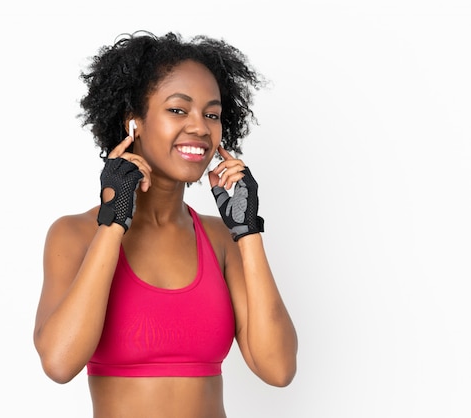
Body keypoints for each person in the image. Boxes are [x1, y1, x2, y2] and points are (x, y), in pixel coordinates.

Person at [33, 31, 298, 417]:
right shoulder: (74, 234)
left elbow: (278, 368)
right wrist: (113, 220)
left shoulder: (220, 240)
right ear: (133, 124)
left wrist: (247, 230)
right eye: (178, 109)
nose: (200, 128)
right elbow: (59, 362)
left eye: (212, 114)